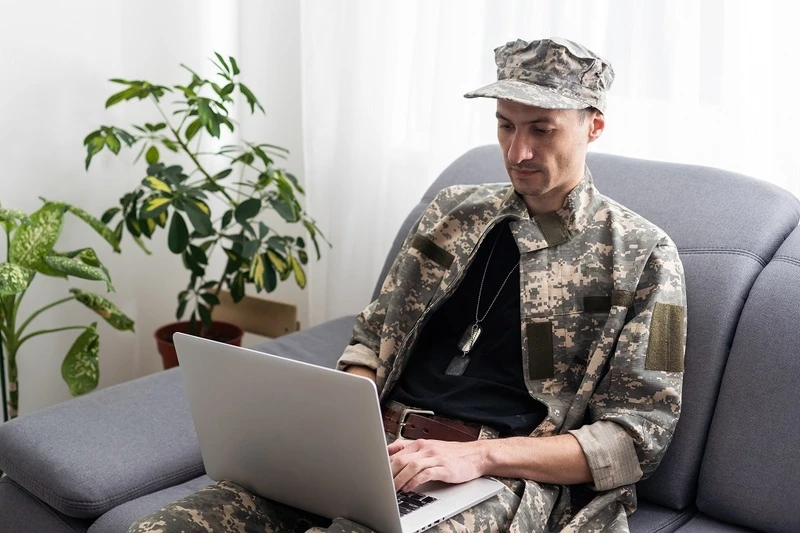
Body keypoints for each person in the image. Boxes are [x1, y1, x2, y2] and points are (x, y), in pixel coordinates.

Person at [129, 37, 686, 533]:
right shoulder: (451, 213)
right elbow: (372, 335)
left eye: (542, 129)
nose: (518, 152)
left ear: (594, 125)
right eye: (506, 124)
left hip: (493, 475)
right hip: (373, 449)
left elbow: (637, 438)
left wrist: (479, 460)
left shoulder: (646, 256)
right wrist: (347, 412)